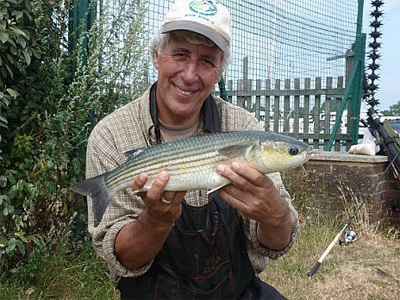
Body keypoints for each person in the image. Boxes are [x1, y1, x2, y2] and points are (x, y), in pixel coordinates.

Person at [86, 0, 299, 299]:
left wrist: (276, 215)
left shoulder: (243, 126)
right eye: (180, 54)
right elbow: (124, 260)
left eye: (207, 61)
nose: (189, 75)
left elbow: (276, 245)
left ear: (220, 72)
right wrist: (157, 219)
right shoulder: (112, 134)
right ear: (157, 56)